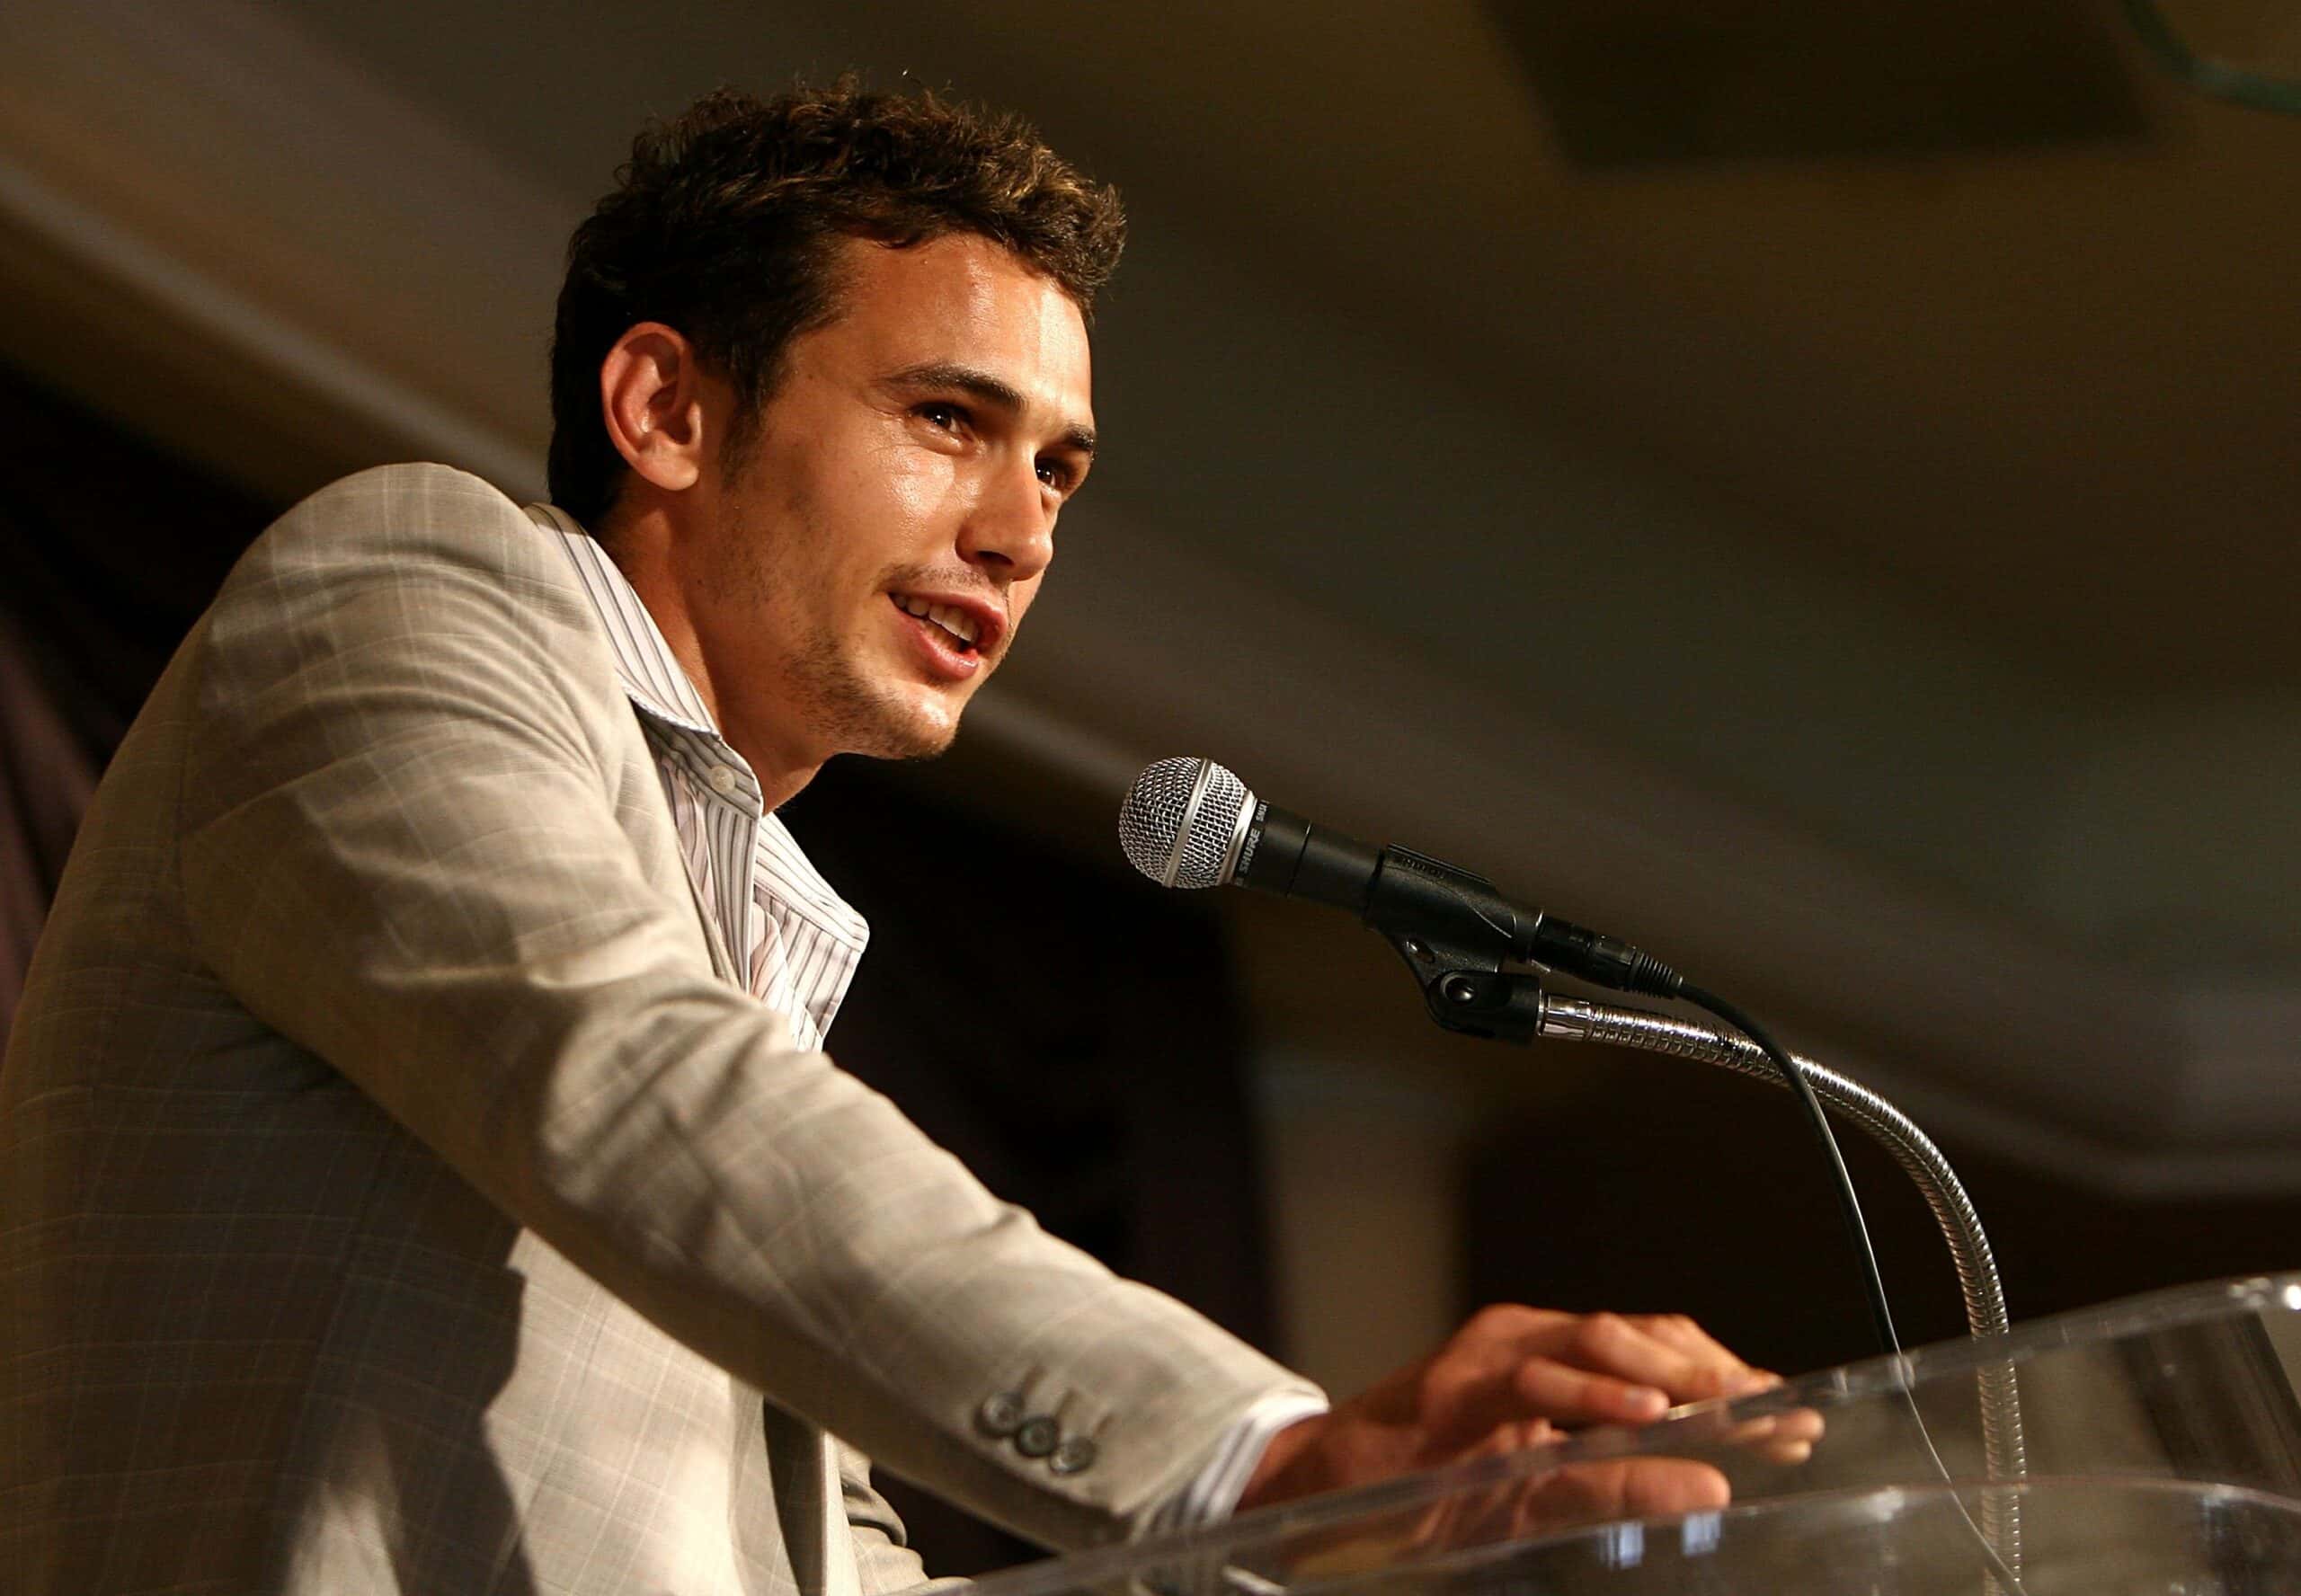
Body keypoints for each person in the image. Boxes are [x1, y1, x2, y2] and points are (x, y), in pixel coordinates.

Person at [0, 83, 1781, 1596]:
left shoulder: (750, 940)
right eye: (948, 421)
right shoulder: (405, 584)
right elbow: (625, 1076)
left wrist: (1367, 1551)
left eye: (1059, 472)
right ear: (666, 411)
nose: (1020, 534)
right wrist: (1269, 1452)